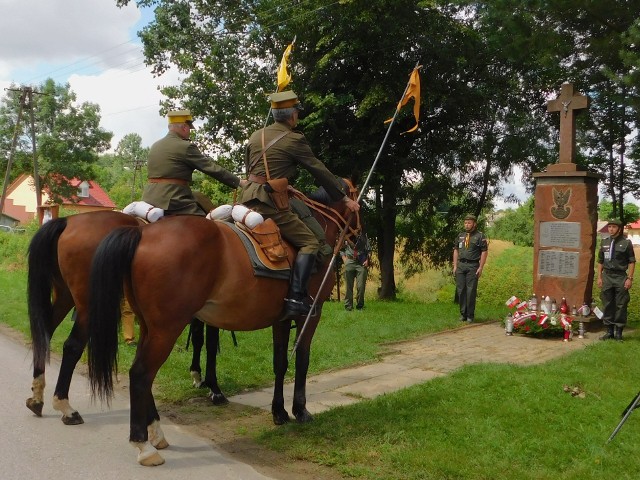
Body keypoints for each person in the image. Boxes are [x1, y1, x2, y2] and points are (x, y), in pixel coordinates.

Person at [240, 90, 360, 319]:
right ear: (292, 115)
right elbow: (318, 170)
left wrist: (282, 185)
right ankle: (295, 298)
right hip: (270, 203)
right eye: (297, 112)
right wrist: (343, 198)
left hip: (247, 198)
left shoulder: (255, 136)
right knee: (310, 242)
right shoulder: (294, 139)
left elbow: (252, 170)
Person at [142, 109, 248, 216]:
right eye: (189, 129)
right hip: (174, 200)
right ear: (184, 127)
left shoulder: (155, 146)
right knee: (207, 226)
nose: (189, 132)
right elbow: (211, 168)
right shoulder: (185, 147)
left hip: (148, 199)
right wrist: (239, 182)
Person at [598, 218, 636, 341]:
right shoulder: (604, 242)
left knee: (621, 304)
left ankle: (619, 332)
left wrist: (629, 278)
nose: (611, 229)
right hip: (607, 276)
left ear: (619, 229)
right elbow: (600, 261)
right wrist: (599, 276)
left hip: (620, 276)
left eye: (614, 227)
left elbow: (631, 261)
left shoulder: (626, 243)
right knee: (607, 303)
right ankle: (609, 331)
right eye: (609, 227)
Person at [452, 214, 488, 323]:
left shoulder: (480, 236)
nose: (467, 225)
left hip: (473, 266)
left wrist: (481, 267)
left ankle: (470, 315)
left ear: (474, 224)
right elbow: (456, 250)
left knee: (471, 290)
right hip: (461, 265)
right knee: (461, 290)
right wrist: (455, 265)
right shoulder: (460, 236)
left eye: (469, 223)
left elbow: (484, 251)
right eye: (465, 223)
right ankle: (463, 314)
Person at [341, 232, 371, 311]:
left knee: (361, 286)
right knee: (348, 286)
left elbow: (369, 250)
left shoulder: (364, 236)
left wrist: (367, 260)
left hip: (361, 263)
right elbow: (341, 249)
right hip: (349, 261)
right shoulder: (346, 235)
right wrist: (344, 259)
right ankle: (348, 307)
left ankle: (360, 306)